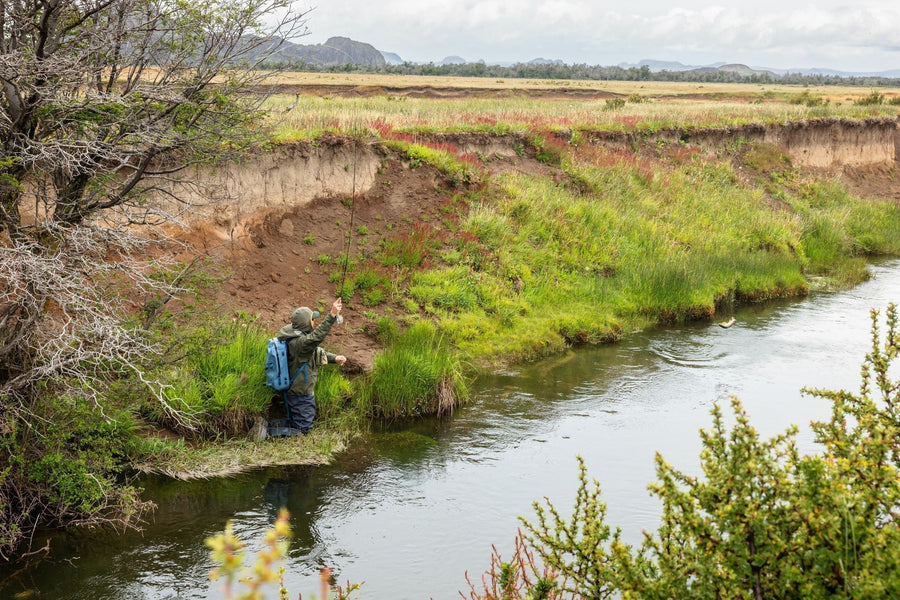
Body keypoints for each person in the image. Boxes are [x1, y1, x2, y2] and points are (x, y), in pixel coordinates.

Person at [277, 298, 347, 434]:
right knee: (303, 430)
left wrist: (334, 358)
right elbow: (317, 337)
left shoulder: (294, 337)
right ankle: (265, 432)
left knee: (295, 423)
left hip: (294, 390)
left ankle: (265, 426)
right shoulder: (301, 343)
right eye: (312, 320)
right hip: (301, 393)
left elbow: (314, 352)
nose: (314, 322)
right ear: (305, 324)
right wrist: (332, 315)